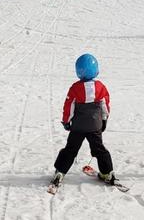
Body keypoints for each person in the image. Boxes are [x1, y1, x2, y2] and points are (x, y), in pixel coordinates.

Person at [50, 54, 117, 187]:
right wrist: (104, 120)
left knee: (71, 149)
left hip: (78, 127)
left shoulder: (75, 88)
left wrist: (66, 121)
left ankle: (60, 171)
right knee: (99, 149)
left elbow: (69, 106)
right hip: (95, 126)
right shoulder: (100, 87)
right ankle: (108, 173)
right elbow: (105, 105)